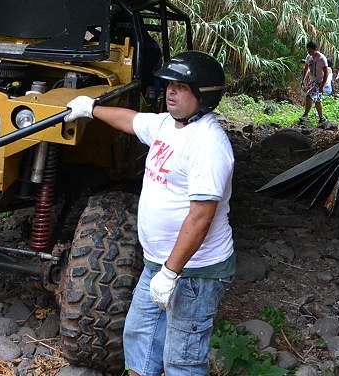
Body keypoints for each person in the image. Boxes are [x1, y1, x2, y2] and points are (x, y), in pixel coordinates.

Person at [65, 51, 234, 375]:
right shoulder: (166, 126)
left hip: (194, 272)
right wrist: (91, 108)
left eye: (182, 87)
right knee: (140, 338)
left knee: (181, 359)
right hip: (157, 263)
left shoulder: (208, 144)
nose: (171, 91)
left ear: (204, 95)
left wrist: (171, 273)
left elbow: (200, 217)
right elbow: (130, 120)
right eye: (170, 84)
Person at [300, 41, 328, 127]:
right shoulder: (309, 57)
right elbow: (306, 68)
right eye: (308, 51)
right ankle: (322, 118)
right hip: (313, 81)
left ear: (315, 49)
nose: (309, 53)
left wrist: (322, 86)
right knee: (317, 101)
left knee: (309, 96)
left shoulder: (321, 58)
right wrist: (303, 80)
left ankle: (305, 115)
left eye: (311, 51)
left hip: (319, 81)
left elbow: (326, 72)